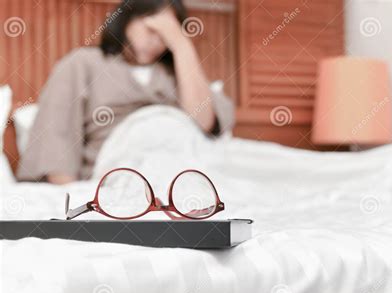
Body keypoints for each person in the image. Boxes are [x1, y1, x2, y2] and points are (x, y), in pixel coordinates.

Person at [17, 0, 234, 184]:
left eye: (166, 36)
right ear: (127, 19)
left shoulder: (177, 74)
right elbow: (57, 133)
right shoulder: (84, 63)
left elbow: (205, 120)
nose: (156, 41)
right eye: (153, 29)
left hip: (186, 173)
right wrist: (70, 197)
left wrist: (181, 45)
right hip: (118, 175)